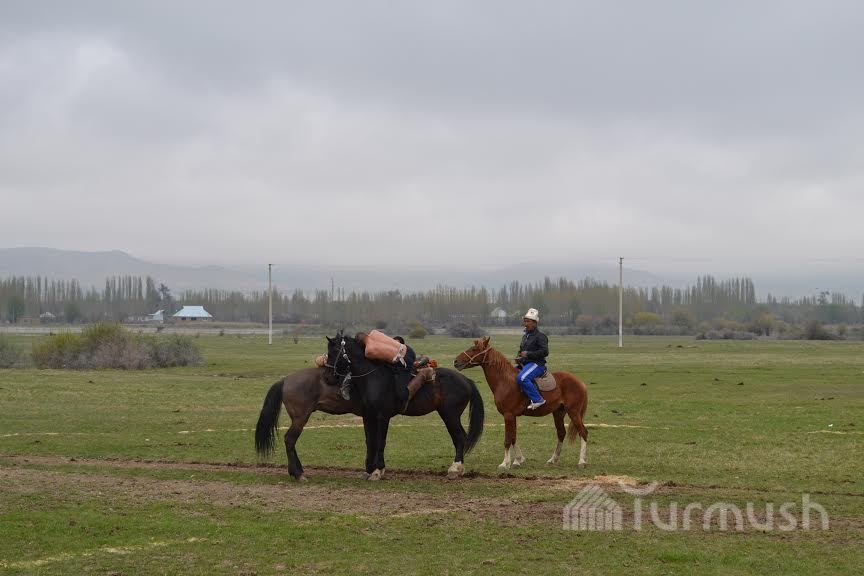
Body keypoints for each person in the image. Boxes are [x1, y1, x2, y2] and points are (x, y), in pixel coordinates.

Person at [515, 308, 548, 410]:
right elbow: (521, 351)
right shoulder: (525, 337)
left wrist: (528, 354)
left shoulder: (541, 336)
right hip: (525, 364)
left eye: (528, 321)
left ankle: (538, 399)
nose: (525, 323)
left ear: (535, 323)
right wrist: (519, 357)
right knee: (509, 373)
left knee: (522, 378)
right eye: (525, 321)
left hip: (537, 364)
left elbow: (545, 352)